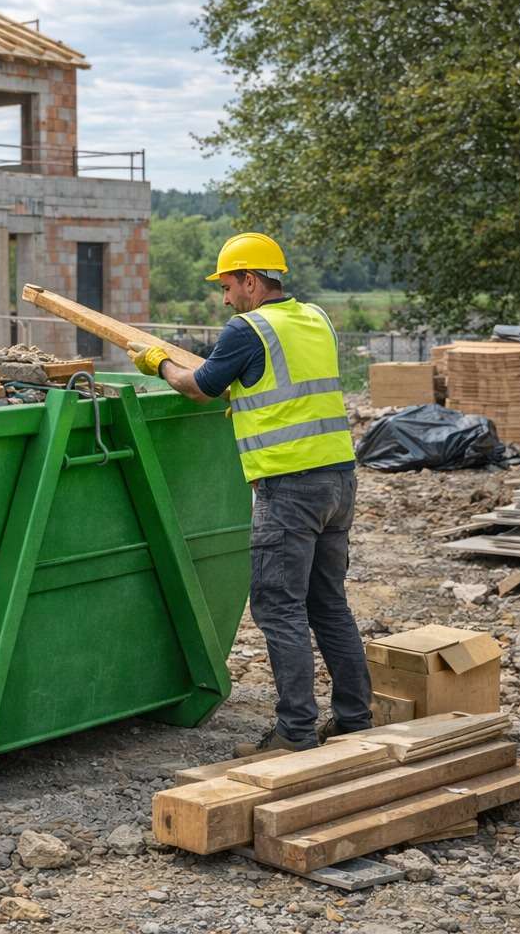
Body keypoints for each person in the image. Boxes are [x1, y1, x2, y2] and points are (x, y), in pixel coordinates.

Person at [127, 232, 371, 755]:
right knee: (329, 605)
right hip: (338, 480)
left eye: (229, 285)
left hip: (289, 487)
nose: (225, 297)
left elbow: (199, 386)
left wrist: (155, 362)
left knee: (278, 608)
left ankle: (295, 734)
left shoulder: (249, 328)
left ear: (253, 281)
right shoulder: (316, 319)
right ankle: (354, 719)